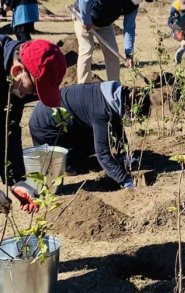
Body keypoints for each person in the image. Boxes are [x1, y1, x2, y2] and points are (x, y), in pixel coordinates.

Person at [29, 81, 150, 189]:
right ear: (128, 108)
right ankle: (68, 163)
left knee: (101, 138)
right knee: (66, 170)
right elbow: (103, 154)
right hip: (45, 126)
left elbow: (116, 126)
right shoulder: (102, 112)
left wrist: (126, 155)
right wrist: (125, 180)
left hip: (68, 123)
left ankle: (76, 157)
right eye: (133, 116)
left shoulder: (113, 94)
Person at [0, 35, 66, 214]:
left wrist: (17, 180)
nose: (31, 95)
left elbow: (8, 129)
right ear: (17, 70)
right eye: (31, 90)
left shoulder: (16, 82)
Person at [72, 0, 141, 83]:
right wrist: (86, 20)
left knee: (113, 54)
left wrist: (129, 54)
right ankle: (83, 87)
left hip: (105, 25)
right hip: (82, 15)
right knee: (87, 48)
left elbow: (129, 28)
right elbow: (85, 1)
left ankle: (114, 88)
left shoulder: (134, 3)